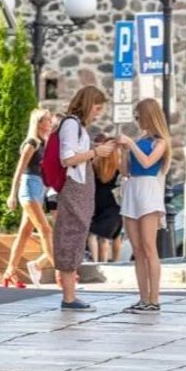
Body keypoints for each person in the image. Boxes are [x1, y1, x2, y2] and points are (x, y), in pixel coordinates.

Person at [53, 86, 114, 311]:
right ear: (88, 104)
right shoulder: (71, 125)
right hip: (74, 189)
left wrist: (97, 150)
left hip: (80, 188)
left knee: (75, 236)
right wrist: (96, 153)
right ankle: (68, 298)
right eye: (97, 108)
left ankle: (70, 296)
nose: (98, 113)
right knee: (70, 236)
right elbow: (67, 159)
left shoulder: (77, 127)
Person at [117, 98, 171, 314]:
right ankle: (142, 298)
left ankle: (154, 298)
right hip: (133, 190)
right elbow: (125, 171)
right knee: (138, 249)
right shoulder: (140, 139)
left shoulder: (161, 142)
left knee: (149, 247)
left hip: (149, 191)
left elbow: (148, 162)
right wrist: (123, 151)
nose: (137, 120)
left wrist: (130, 144)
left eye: (139, 116)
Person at [3, 108, 56, 288]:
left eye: (50, 120)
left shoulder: (44, 142)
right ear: (39, 122)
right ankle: (61, 273)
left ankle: (10, 271)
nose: (50, 123)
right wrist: (12, 194)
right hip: (28, 188)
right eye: (47, 120)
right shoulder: (32, 142)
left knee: (24, 233)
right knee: (46, 230)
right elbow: (20, 169)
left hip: (38, 188)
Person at [88, 135, 123, 264]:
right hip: (112, 201)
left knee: (94, 234)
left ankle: (97, 261)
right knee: (113, 235)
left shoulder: (95, 163)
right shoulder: (117, 165)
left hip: (96, 199)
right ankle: (115, 261)